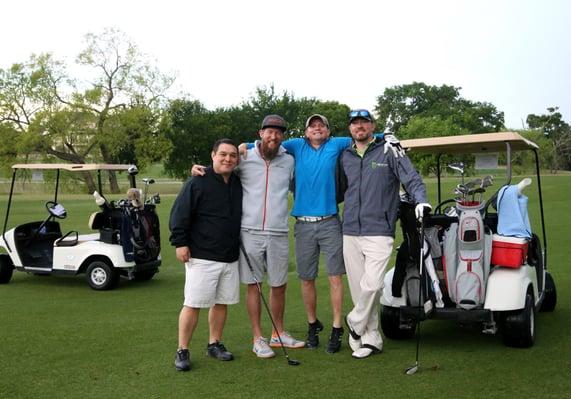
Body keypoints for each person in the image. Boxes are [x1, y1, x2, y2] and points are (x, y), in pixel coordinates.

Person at [239, 114, 403, 353]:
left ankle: (337, 327)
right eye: (312, 126)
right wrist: (246, 145)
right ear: (305, 131)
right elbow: (269, 141)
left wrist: (384, 135)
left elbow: (362, 135)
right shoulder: (295, 145)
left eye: (322, 125)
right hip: (303, 225)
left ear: (328, 130)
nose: (317, 128)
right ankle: (312, 323)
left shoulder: (336, 144)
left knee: (335, 277)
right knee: (307, 278)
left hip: (330, 222)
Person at [192, 115, 305, 359]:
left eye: (278, 132)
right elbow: (221, 164)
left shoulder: (289, 160)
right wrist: (198, 168)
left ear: (282, 136)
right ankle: (257, 338)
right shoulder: (244, 156)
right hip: (249, 233)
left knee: (279, 285)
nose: (273, 136)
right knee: (254, 287)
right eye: (269, 132)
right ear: (260, 133)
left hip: (278, 232)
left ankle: (278, 333)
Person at [339, 109, 430, 359]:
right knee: (359, 288)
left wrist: (421, 200)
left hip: (379, 228)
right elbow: (340, 189)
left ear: (372, 126)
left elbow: (411, 179)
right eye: (355, 123)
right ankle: (371, 338)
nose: (360, 126)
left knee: (374, 284)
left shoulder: (389, 149)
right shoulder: (345, 155)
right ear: (350, 128)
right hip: (350, 230)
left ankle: (354, 322)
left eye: (364, 122)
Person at [169, 138, 243, 371]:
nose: (228, 159)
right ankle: (182, 350)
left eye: (232, 155)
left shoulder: (237, 182)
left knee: (221, 303)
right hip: (202, 256)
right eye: (223, 154)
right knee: (193, 304)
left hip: (229, 257)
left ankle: (214, 343)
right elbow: (179, 214)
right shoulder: (197, 182)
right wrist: (180, 243)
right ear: (213, 155)